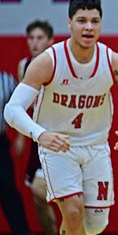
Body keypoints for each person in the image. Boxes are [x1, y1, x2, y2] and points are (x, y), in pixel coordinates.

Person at [4, 0, 118, 235]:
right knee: (73, 213)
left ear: (101, 25)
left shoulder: (113, 61)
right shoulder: (48, 62)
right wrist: (40, 135)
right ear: (69, 23)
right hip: (58, 146)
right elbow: (12, 109)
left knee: (94, 226)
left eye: (94, 21)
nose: (88, 27)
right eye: (82, 20)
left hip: (96, 147)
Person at [15, 20, 58, 235]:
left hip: (62, 135)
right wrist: (22, 137)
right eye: (31, 38)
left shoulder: (58, 64)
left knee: (70, 198)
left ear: (50, 41)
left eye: (39, 38)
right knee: (37, 194)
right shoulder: (24, 65)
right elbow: (21, 106)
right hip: (38, 136)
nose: (34, 42)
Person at [0, 71, 33, 235]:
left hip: (0, 142)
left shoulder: (6, 80)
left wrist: (21, 136)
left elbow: (19, 108)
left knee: (7, 186)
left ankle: (21, 232)